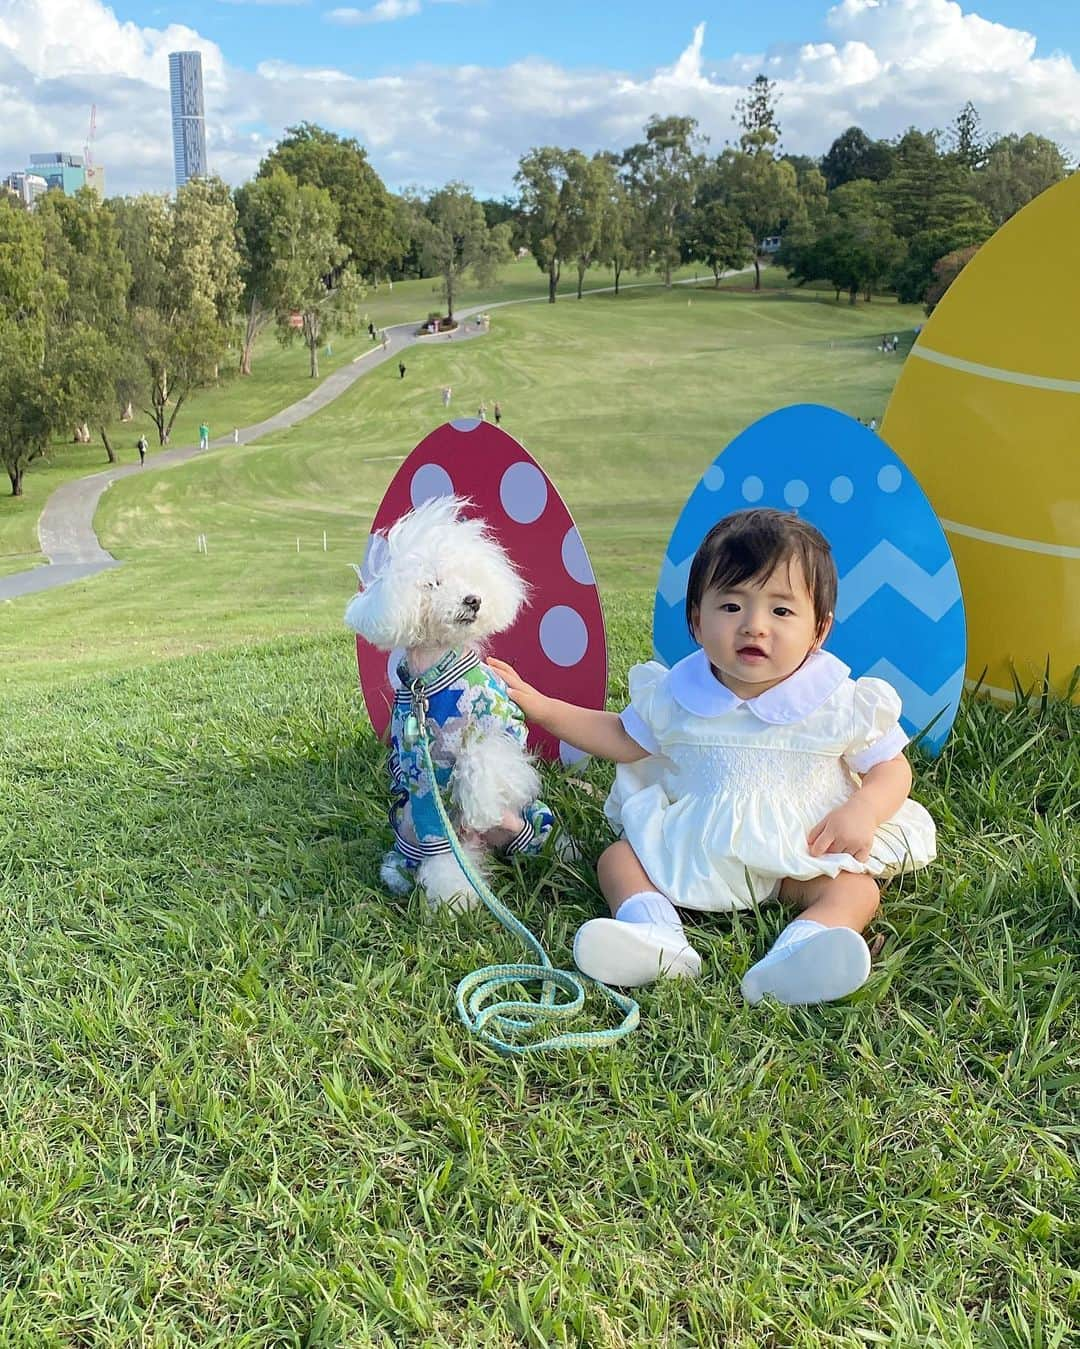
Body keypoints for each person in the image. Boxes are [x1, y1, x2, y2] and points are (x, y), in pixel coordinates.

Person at [490, 509, 936, 1006]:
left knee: (857, 888)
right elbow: (621, 735)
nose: (754, 626)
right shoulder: (678, 694)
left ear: (819, 631)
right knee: (618, 859)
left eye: (781, 611)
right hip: (698, 842)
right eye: (731, 606)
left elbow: (891, 766)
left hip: (804, 844)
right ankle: (655, 936)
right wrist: (541, 706)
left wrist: (864, 809)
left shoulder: (837, 702)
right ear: (698, 622)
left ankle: (806, 948)